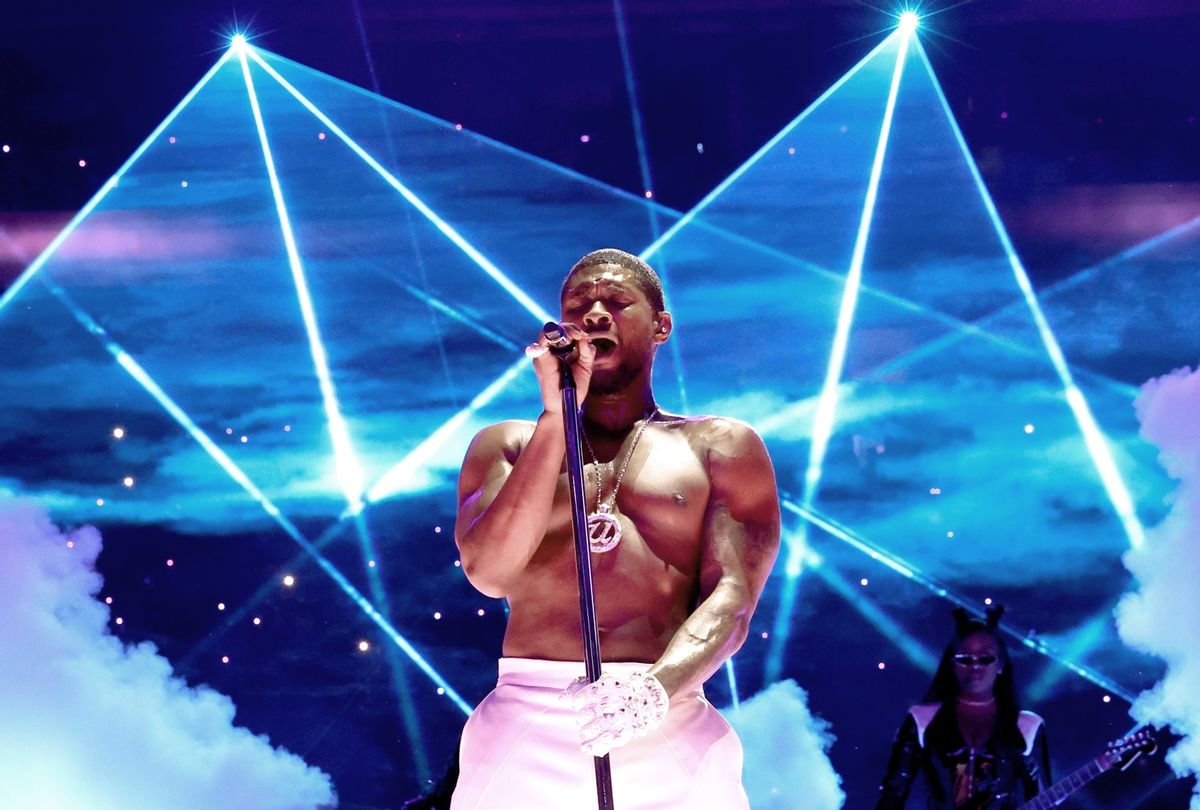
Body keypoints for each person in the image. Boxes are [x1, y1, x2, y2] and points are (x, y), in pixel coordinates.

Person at [450, 248, 781, 809]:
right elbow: (489, 572)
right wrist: (557, 417)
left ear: (661, 327)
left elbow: (735, 596)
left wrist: (656, 689)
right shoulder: (506, 445)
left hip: (665, 709)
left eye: (617, 301)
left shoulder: (721, 447)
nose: (596, 313)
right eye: (580, 305)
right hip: (529, 716)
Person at [876, 605, 1052, 809]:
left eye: (985, 659)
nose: (975, 667)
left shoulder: (1027, 726)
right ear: (952, 665)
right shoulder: (922, 720)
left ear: (1001, 665)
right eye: (964, 659)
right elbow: (892, 794)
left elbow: (1044, 799)